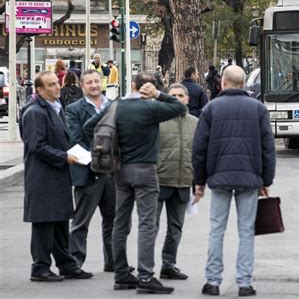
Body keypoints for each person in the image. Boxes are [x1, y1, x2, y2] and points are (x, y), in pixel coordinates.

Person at [83, 72, 186, 294]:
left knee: (120, 222)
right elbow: (180, 108)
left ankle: (121, 274)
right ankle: (146, 277)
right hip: (146, 170)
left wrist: (115, 145)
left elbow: (90, 126)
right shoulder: (150, 108)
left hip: (120, 170)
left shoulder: (116, 106)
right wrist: (158, 95)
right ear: (150, 88)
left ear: (132, 85)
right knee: (147, 223)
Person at [192, 65, 276, 297]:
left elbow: (199, 149)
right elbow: (268, 147)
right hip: (250, 178)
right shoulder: (258, 109)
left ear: (223, 83)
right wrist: (266, 179)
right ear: (243, 84)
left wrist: (198, 181)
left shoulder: (211, 109)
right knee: (246, 231)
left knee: (217, 229)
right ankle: (245, 283)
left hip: (219, 178)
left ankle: (213, 281)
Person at [20, 71, 93, 282]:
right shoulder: (34, 112)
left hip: (58, 173)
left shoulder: (56, 107)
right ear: (40, 90)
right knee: (44, 223)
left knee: (61, 221)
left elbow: (62, 139)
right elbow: (36, 146)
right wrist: (65, 157)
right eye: (51, 85)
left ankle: (67, 265)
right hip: (42, 176)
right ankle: (40, 267)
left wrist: (75, 153)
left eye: (56, 83)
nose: (57, 87)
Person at [65, 69, 117, 272]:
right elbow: (75, 139)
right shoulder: (73, 109)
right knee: (80, 221)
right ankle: (75, 263)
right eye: (89, 82)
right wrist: (96, 161)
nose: (94, 85)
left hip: (112, 173)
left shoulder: (114, 106)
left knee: (112, 220)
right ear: (82, 86)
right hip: (88, 172)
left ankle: (113, 262)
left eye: (97, 81)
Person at [155, 83, 198, 281]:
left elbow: (199, 155)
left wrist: (198, 182)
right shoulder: (156, 121)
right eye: (173, 95)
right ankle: (145, 267)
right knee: (150, 227)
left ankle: (168, 264)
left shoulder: (196, 123)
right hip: (157, 183)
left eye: (181, 95)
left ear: (187, 99)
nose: (177, 98)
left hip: (182, 183)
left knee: (175, 228)